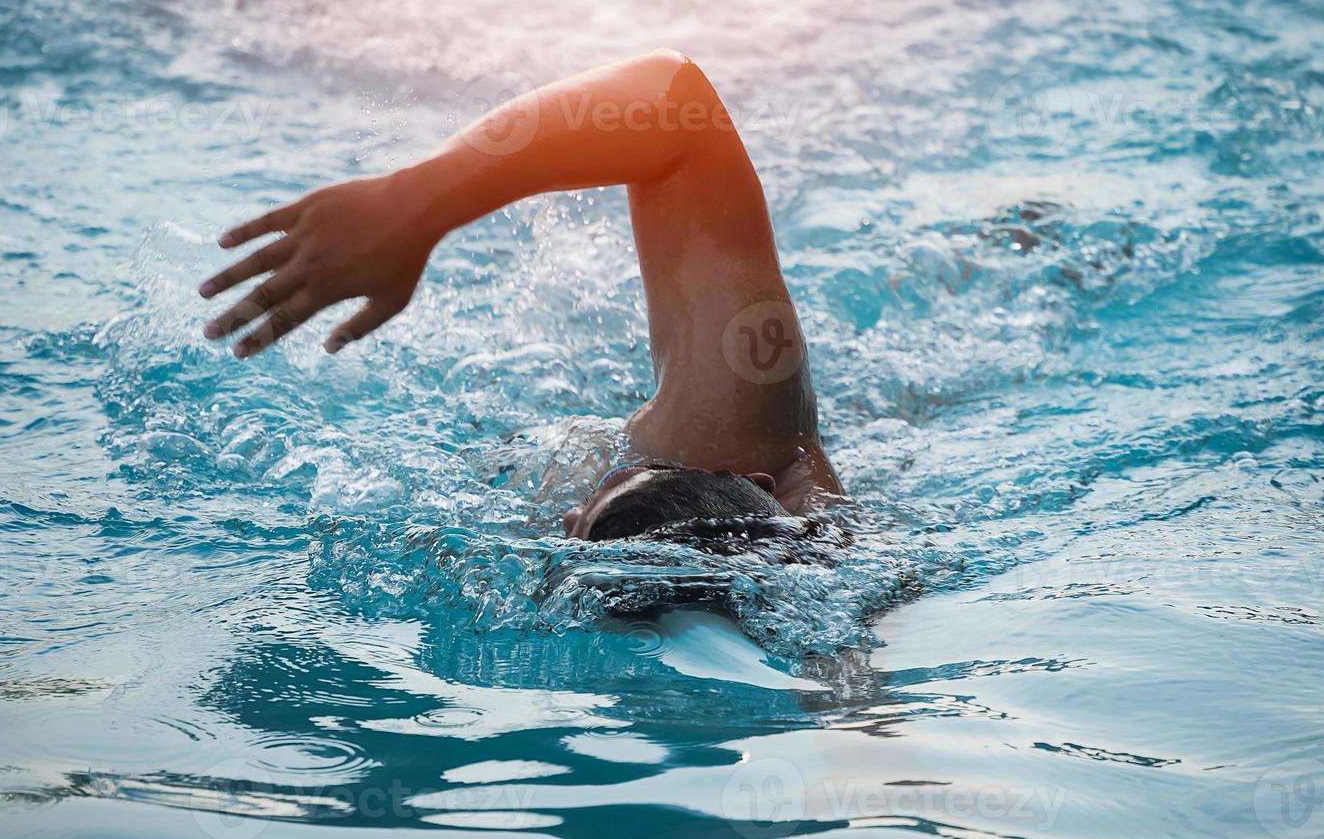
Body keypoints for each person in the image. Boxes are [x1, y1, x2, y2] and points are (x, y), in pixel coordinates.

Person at [199, 50, 844, 542]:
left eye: (574, 531)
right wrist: (410, 203)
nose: (564, 517)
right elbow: (672, 104)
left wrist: (412, 203)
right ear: (752, 485)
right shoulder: (741, 446)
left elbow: (674, 102)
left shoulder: (721, 466)